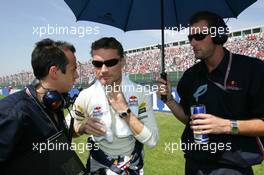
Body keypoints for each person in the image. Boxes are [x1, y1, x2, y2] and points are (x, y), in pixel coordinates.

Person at [157, 11, 264, 175]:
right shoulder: (190, 76)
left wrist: (226, 126)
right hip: (193, 165)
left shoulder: (253, 69)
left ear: (219, 36)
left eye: (199, 36)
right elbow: (189, 119)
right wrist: (169, 100)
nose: (192, 42)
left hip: (232, 168)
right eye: (190, 38)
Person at [69, 37, 159, 175]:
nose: (104, 70)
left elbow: (152, 140)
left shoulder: (141, 93)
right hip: (97, 167)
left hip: (132, 167)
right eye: (97, 64)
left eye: (110, 63)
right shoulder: (86, 95)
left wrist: (124, 111)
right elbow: (63, 132)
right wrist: (82, 127)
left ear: (123, 61)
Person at [0, 38, 80, 174]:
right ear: (54, 72)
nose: (77, 75)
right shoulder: (13, 111)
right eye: (73, 70)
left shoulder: (55, 103)